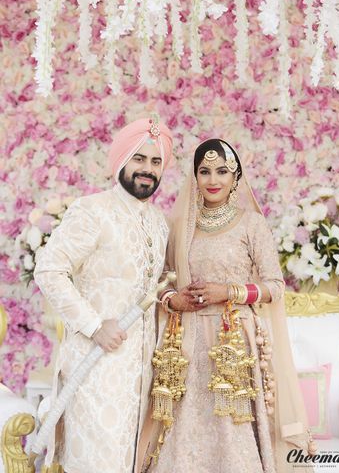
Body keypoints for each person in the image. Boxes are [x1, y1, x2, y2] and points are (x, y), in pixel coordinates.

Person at [139, 139, 314, 473]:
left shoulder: (251, 224)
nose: (212, 179)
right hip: (187, 343)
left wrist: (228, 291)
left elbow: (274, 286)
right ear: (194, 177)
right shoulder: (179, 227)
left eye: (222, 170)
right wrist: (172, 299)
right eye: (204, 171)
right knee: (185, 432)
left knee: (233, 428)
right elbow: (161, 283)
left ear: (236, 176)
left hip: (235, 344)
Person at [34, 115, 173, 473]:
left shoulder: (159, 223)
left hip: (145, 380)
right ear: (122, 161)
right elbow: (49, 268)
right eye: (139, 159)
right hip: (96, 372)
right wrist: (94, 325)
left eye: (155, 161)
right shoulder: (93, 211)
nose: (147, 169)